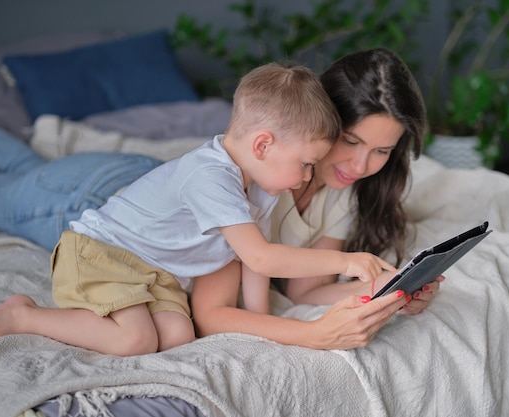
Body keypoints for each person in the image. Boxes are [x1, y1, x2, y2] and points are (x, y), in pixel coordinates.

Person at [0, 62, 397, 356]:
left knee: (176, 335)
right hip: (102, 251)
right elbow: (259, 256)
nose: (307, 175)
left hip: (153, 271)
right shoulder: (211, 177)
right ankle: (23, 314)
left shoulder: (263, 187)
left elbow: (253, 262)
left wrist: (262, 324)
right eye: (304, 164)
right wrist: (346, 262)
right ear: (263, 144)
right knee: (134, 340)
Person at [189, 48, 443, 349]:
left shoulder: (343, 191)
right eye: (350, 141)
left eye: (381, 151)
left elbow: (304, 293)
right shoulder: (250, 183)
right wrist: (314, 335)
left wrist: (393, 289)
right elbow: (210, 315)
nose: (360, 167)